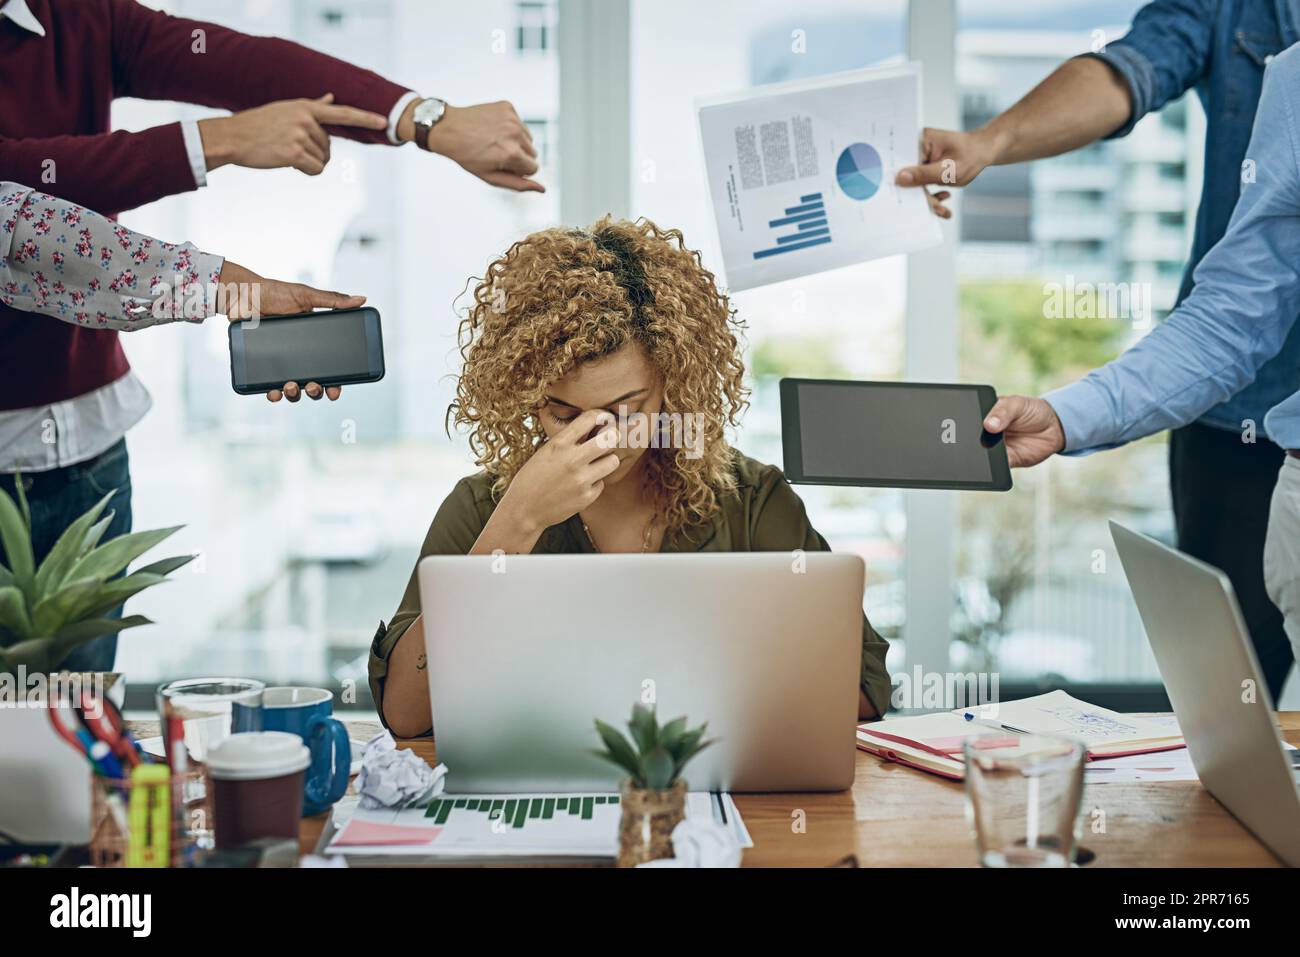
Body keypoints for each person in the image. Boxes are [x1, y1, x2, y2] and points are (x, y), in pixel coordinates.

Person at [0, 0, 543, 670]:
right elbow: (16, 206)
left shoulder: (69, 16)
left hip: (87, 447)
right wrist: (217, 143)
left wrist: (423, 118)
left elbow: (238, 61)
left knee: (74, 734)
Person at [895, 0, 1300, 699]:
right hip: (1250, 438)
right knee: (1229, 721)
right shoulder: (1292, 82)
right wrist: (1068, 414)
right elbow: (1235, 315)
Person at [368, 218, 892, 736]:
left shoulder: (751, 500)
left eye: (627, 410)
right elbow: (408, 716)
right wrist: (519, 522)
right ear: (525, 398)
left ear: (673, 383)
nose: (602, 440)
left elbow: (862, 693)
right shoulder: (486, 507)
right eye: (565, 416)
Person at [0, 181, 368, 667]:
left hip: (95, 448)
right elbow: (24, 224)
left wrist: (236, 290)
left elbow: (47, 223)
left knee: (83, 705)